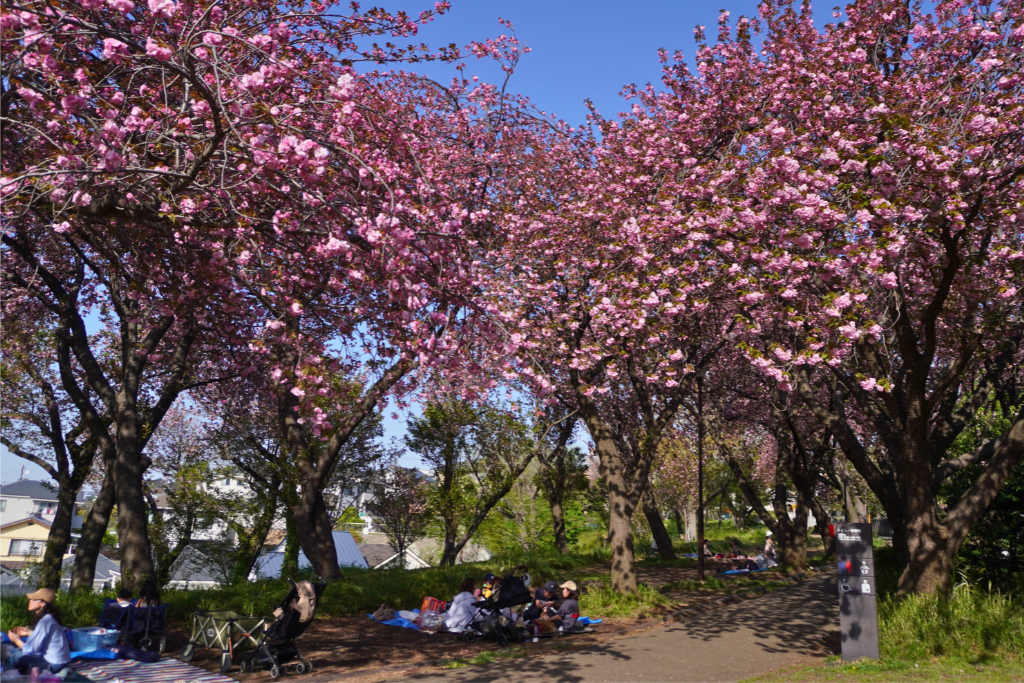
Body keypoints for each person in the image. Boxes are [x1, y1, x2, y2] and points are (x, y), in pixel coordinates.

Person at [5, 588, 71, 674]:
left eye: (34, 599)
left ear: (43, 603)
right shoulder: (49, 619)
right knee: (17, 652)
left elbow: (33, 651)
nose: (30, 601)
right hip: (61, 663)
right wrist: (28, 632)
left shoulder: (45, 621)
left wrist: (16, 640)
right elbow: (45, 639)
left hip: (53, 665)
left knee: (13, 655)